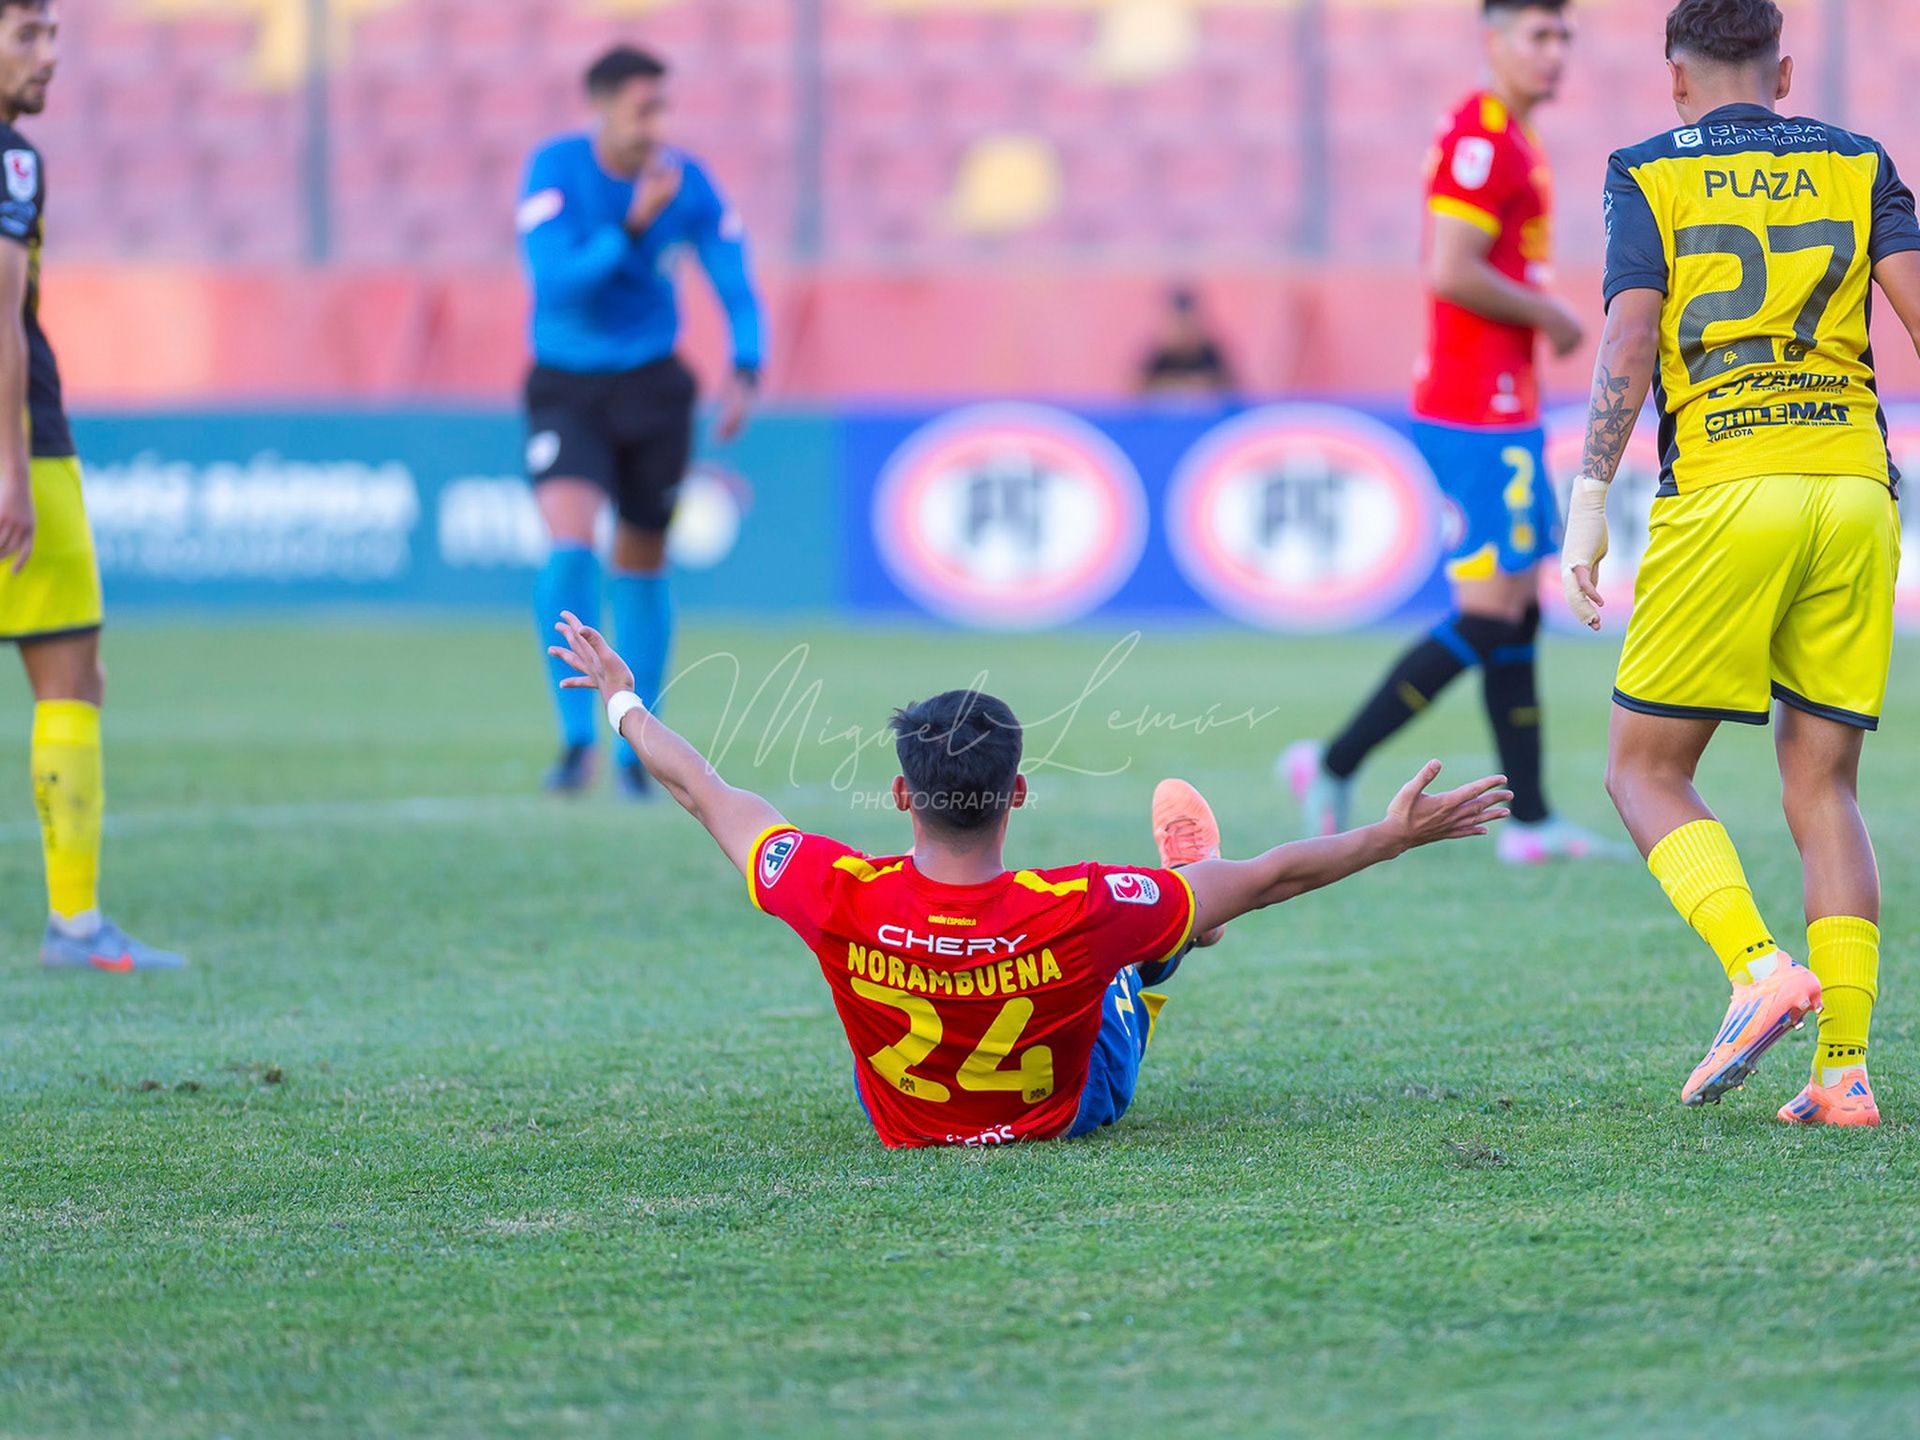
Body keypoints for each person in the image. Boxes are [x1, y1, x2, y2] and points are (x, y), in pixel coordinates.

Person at [546, 612, 1510, 1147]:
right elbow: (1269, 877)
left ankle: (1179, 920)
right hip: (1068, 1108)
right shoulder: (1084, 903)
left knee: (870, 980)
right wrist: (1392, 836)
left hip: (907, 1113)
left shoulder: (831, 884)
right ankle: (1176, 935)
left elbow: (708, 792)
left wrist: (623, 698)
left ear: (898, 793)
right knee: (1138, 949)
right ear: (1016, 793)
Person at [1559, 0, 1920, 1124]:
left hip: (1727, 490)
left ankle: (1758, 966)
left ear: (1676, 80)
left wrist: (1589, 497)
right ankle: (1845, 1073)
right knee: (1825, 787)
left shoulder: (1645, 170)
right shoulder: (1859, 162)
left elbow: (1628, 335)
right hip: (1856, 491)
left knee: (1644, 770)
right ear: (1786, 70)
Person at [1281, 0, 1596, 865]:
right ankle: (1332, 759)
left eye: (1564, 35)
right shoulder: (1481, 137)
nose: (1555, 51)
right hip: (1472, 406)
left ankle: (1529, 822)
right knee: (1493, 616)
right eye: (1538, 35)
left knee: (1518, 610)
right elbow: (1450, 270)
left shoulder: (1512, 137)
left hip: (1504, 404)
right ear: (1493, 41)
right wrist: (1551, 314)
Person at [517, 44, 763, 799]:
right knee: (568, 539)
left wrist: (746, 364)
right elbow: (556, 284)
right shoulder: (556, 171)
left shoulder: (686, 183)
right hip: (567, 384)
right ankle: (574, 741)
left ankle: (637, 748)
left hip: (654, 387)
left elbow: (732, 277)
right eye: (643, 107)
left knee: (643, 560)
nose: (658, 122)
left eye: (663, 106)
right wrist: (630, 227)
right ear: (601, 107)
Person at [0, 3, 181, 971]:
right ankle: (76, 926)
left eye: (55, 34)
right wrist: (12, 467)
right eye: (26, 33)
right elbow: (3, 316)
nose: (50, 56)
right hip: (22, 442)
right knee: (72, 680)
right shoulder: (11, 162)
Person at [1138, 285, 1235, 397]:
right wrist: (1176, 385)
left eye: (1188, 324)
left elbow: (1230, 387)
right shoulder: (1160, 353)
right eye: (1178, 325)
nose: (1184, 331)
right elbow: (1138, 388)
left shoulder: (1210, 353)